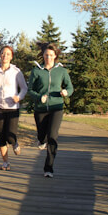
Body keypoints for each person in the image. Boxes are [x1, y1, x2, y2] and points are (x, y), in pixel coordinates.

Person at [29, 43, 74, 178]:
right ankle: (41, 140)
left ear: (55, 56)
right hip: (40, 109)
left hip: (56, 108)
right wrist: (39, 97)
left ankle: (49, 168)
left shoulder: (62, 71)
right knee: (42, 135)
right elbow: (30, 90)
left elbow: (70, 87)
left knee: (53, 136)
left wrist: (66, 92)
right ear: (43, 56)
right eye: (46, 55)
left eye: (51, 55)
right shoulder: (36, 71)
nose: (48, 57)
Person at [0, 45, 28, 170]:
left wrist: (19, 97)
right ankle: (5, 162)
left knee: (9, 135)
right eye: (3, 53)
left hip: (12, 108)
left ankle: (15, 142)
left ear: (11, 56)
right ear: (0, 55)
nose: (5, 56)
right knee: (1, 136)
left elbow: (24, 88)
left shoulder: (16, 72)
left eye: (8, 54)